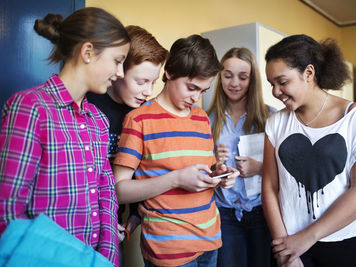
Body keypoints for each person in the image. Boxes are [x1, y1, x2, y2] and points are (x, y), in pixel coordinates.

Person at [0, 7, 130, 266]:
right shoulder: (30, 108)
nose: (121, 73)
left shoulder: (98, 120)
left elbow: (106, 194)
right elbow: (8, 209)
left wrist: (106, 258)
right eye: (117, 60)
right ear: (88, 52)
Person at [112, 34, 239, 267]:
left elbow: (204, 168)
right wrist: (177, 179)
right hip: (168, 249)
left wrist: (219, 174)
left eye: (203, 90)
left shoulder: (201, 118)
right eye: (191, 87)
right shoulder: (138, 119)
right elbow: (119, 191)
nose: (196, 97)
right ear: (169, 72)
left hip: (210, 240)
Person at [262, 34, 356, 267]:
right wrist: (285, 249)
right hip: (289, 245)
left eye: (282, 82)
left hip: (347, 242)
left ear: (308, 73)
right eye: (272, 84)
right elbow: (270, 186)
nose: (276, 92)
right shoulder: (276, 122)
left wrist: (306, 238)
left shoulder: (353, 116)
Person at [87, 24, 168, 240]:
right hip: (82, 221)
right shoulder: (87, 104)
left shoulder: (142, 114)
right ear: (119, 69)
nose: (148, 92)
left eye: (153, 82)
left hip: (115, 223)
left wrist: (133, 218)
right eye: (141, 82)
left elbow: (142, 171)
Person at [207, 47, 275, 267]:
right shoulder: (207, 120)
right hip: (224, 213)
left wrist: (260, 168)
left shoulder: (271, 117)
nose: (234, 83)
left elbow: (288, 167)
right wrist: (212, 162)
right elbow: (197, 168)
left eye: (242, 77)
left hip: (261, 212)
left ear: (252, 80)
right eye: (227, 76)